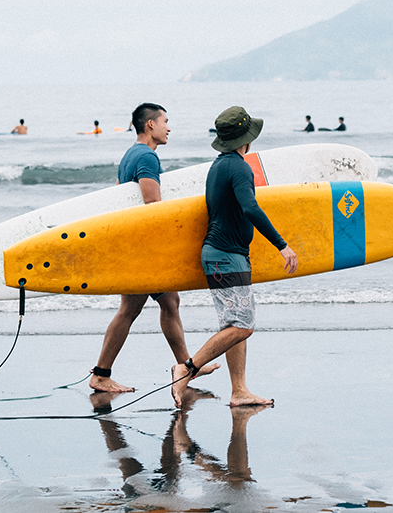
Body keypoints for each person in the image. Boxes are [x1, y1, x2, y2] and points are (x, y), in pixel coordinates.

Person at [171, 106, 298, 408]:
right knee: (243, 326)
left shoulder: (219, 166)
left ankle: (239, 390)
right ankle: (186, 369)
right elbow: (250, 207)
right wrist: (282, 245)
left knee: (233, 325)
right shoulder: (240, 167)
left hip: (225, 255)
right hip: (226, 256)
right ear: (247, 139)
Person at [90, 103, 219, 393]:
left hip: (134, 245)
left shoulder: (130, 155)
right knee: (136, 308)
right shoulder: (147, 157)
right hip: (143, 250)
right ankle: (101, 375)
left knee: (166, 302)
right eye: (165, 121)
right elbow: (152, 207)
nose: (168, 127)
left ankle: (185, 368)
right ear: (150, 125)